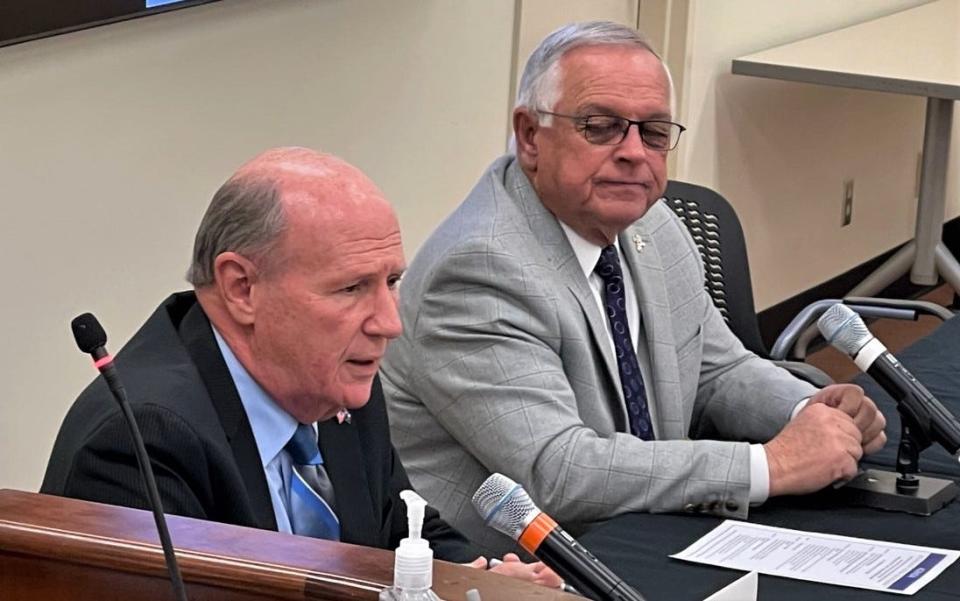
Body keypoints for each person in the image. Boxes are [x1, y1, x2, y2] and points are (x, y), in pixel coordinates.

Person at [381, 21, 887, 555]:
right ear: (530, 135)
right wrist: (771, 464)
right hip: (522, 569)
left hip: (644, 526)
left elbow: (716, 369)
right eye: (600, 127)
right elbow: (559, 472)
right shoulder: (478, 271)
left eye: (653, 131)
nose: (633, 153)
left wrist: (809, 414)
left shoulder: (650, 222)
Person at [40, 147, 559, 586]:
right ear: (242, 287)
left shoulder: (334, 380)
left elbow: (401, 529)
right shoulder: (142, 442)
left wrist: (477, 579)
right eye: (352, 288)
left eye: (392, 282)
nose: (388, 323)